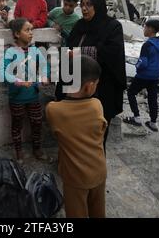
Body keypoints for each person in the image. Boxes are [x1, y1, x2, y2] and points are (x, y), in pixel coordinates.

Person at [46, 55, 107, 218]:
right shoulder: (97, 106)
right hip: (99, 171)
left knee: (76, 213)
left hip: (75, 176)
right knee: (98, 210)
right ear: (89, 87)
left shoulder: (53, 110)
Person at [66, 0, 127, 152]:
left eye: (89, 5)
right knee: (77, 132)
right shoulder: (80, 25)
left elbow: (112, 53)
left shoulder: (112, 26)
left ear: (98, 6)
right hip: (77, 87)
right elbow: (67, 49)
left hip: (102, 89)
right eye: (82, 5)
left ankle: (95, 167)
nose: (84, 9)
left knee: (98, 135)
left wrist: (81, 53)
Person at [0, 18, 52, 164]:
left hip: (33, 96)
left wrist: (45, 76)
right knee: (17, 125)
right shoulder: (10, 52)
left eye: (31, 30)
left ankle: (37, 149)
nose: (31, 33)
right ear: (16, 34)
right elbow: (2, 73)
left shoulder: (35, 50)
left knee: (37, 123)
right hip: (16, 98)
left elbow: (44, 66)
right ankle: (19, 151)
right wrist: (18, 81)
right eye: (27, 30)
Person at [123, 20, 159, 133]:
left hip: (144, 75)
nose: (144, 29)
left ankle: (137, 118)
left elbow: (143, 62)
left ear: (150, 29)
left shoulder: (147, 45)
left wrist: (137, 66)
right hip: (155, 75)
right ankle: (153, 123)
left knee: (131, 93)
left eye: (145, 27)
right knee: (152, 97)